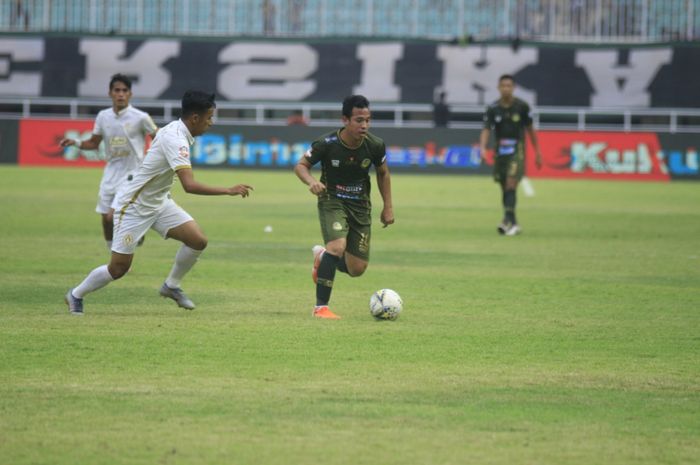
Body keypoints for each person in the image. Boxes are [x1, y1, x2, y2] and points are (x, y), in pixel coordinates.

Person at [64, 90, 254, 315]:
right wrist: (228, 190)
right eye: (209, 117)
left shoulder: (178, 133)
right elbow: (189, 186)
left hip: (159, 202)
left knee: (197, 241)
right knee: (118, 268)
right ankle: (76, 294)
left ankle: (171, 286)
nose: (211, 123)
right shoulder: (175, 139)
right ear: (195, 118)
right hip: (134, 206)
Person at [294, 95, 394, 319]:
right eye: (359, 120)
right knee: (337, 247)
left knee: (357, 269)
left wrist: (388, 207)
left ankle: (322, 257)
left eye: (368, 120)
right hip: (332, 200)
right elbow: (301, 166)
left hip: (360, 206)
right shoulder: (327, 144)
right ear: (345, 120)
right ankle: (321, 307)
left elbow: (383, 173)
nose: (364, 125)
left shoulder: (375, 145)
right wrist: (312, 182)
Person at [60, 74, 158, 251]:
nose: (120, 94)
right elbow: (93, 143)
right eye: (117, 90)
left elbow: (158, 137)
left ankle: (126, 245)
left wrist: (153, 159)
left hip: (132, 173)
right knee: (105, 218)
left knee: (111, 216)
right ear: (110, 93)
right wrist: (75, 143)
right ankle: (112, 252)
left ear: (130, 94)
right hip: (111, 171)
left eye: (124, 90)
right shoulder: (103, 116)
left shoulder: (141, 117)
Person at [479, 74, 542, 236]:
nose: (506, 88)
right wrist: (482, 148)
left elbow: (530, 130)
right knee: (504, 187)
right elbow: (486, 129)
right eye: (503, 86)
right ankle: (513, 222)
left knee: (511, 183)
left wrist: (537, 152)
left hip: (517, 149)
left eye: (509, 86)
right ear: (498, 88)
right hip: (500, 151)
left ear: (513, 88)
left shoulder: (522, 107)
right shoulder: (493, 108)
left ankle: (506, 220)